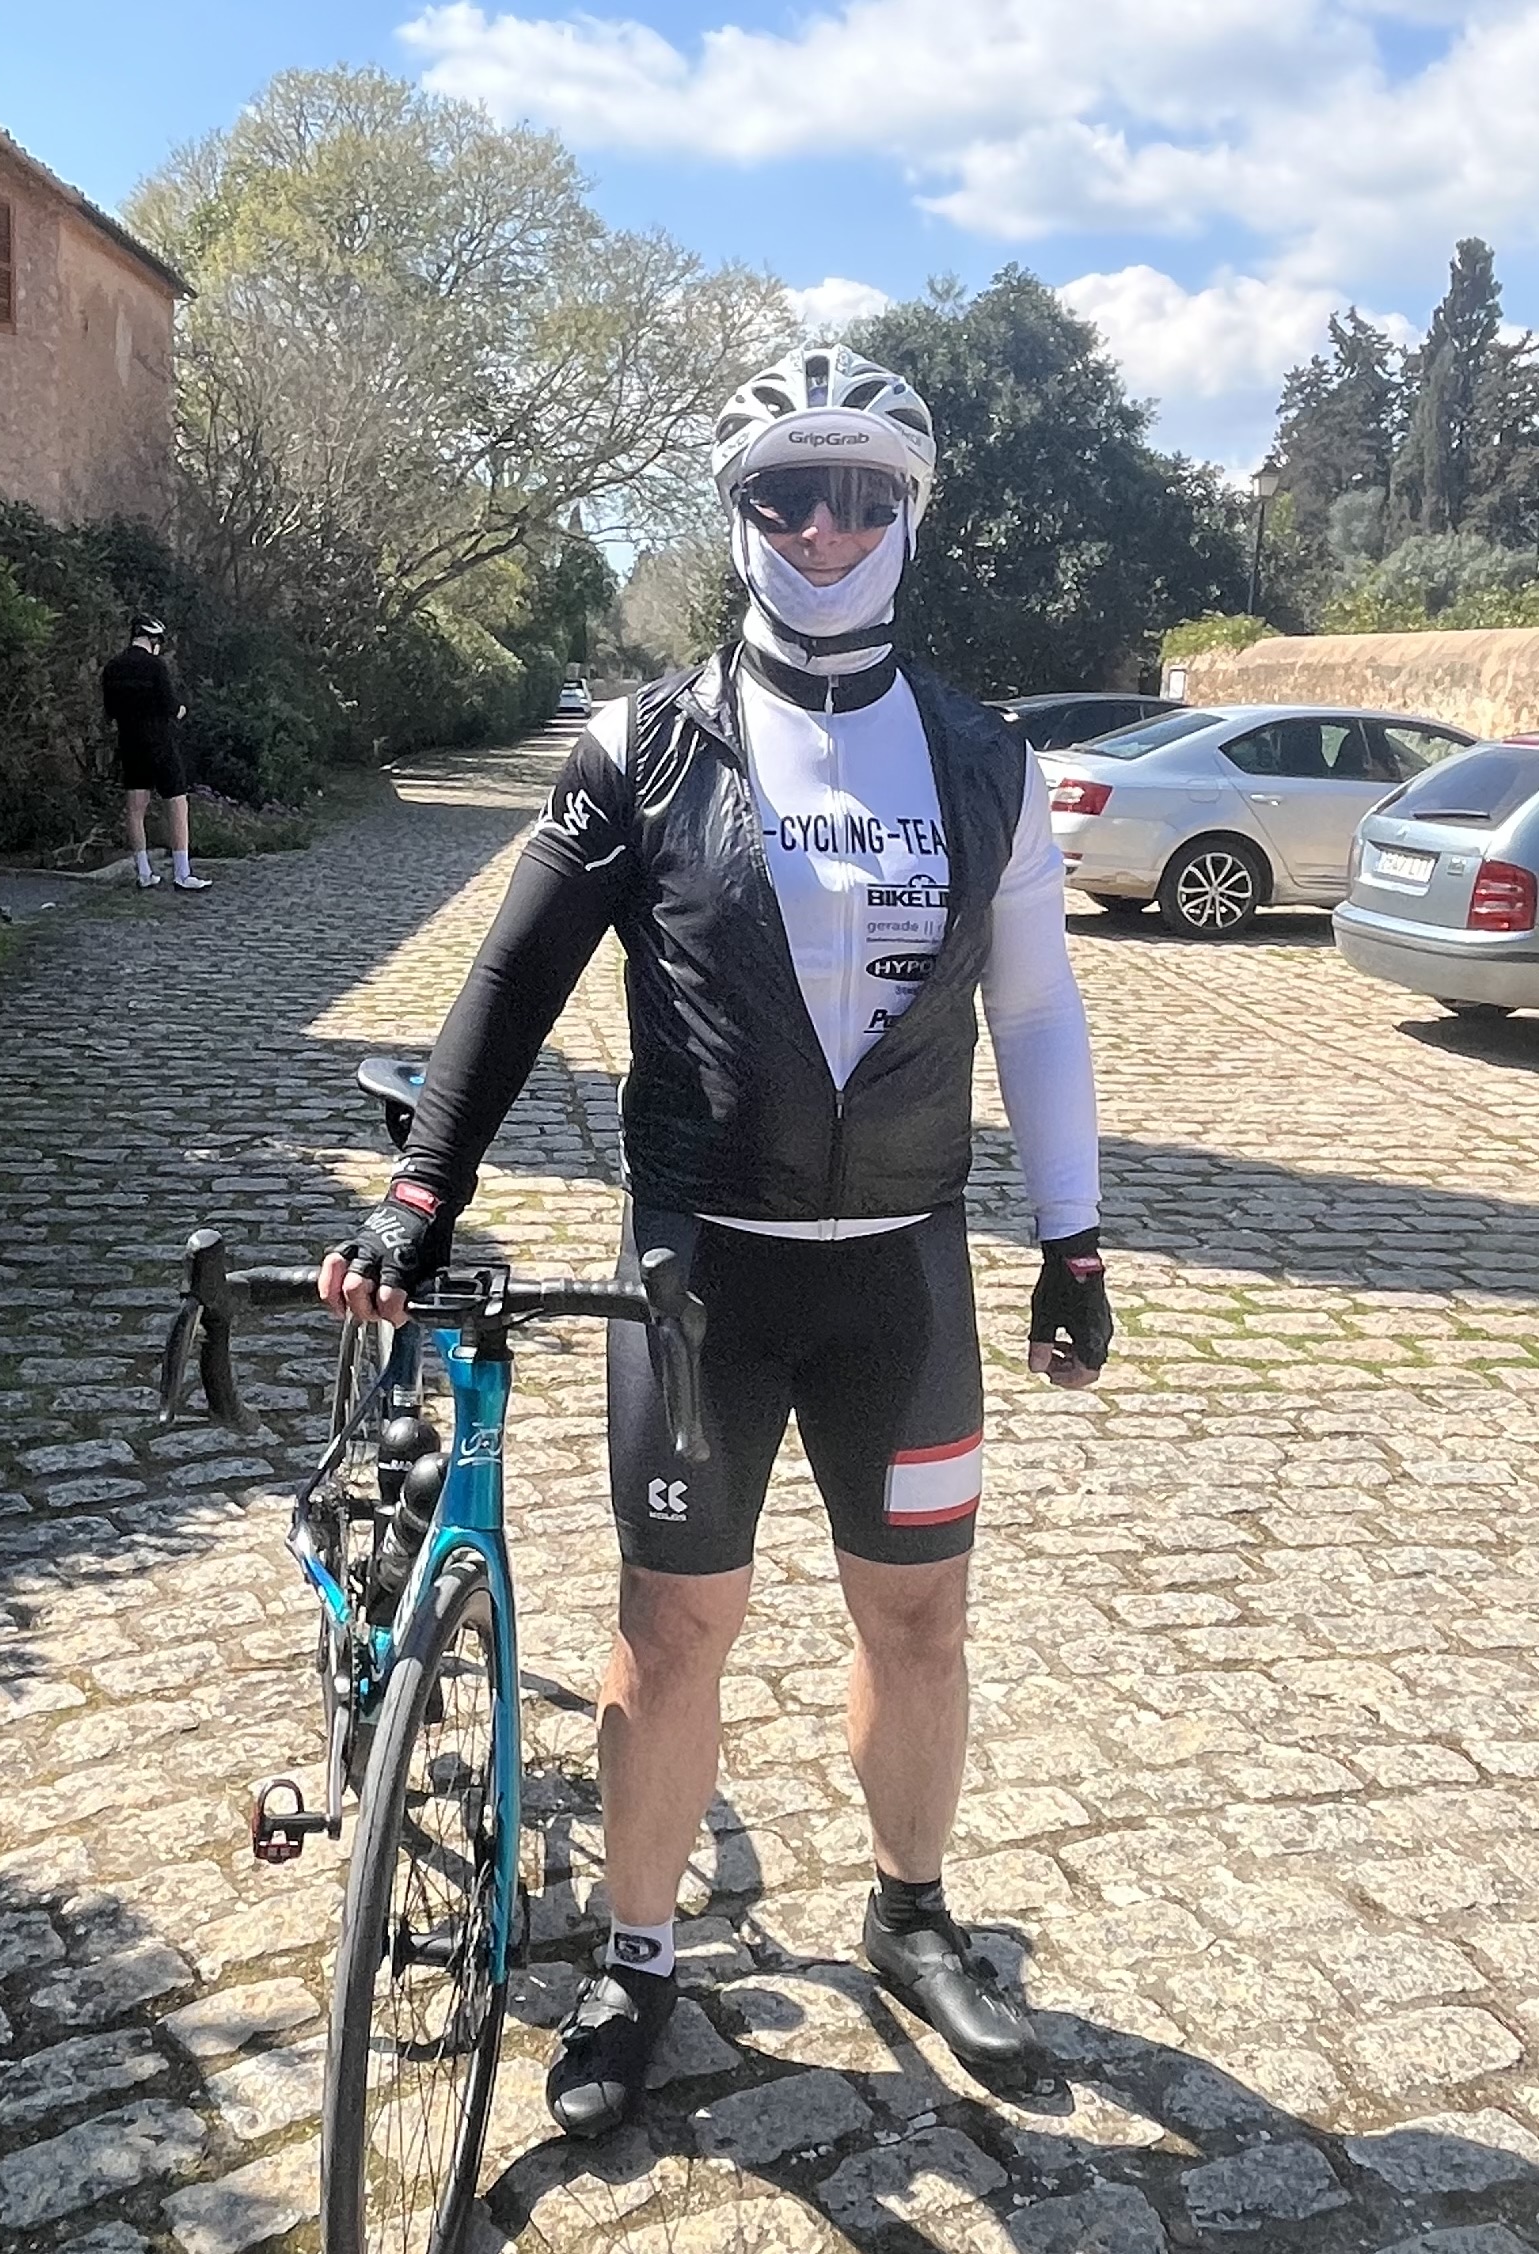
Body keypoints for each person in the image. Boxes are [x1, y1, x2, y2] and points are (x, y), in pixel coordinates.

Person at [321, 345, 1112, 2137]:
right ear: (738, 513)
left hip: (900, 1272)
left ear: (906, 514)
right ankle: (638, 1952)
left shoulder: (987, 759)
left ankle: (910, 1913)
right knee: (673, 1630)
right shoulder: (641, 744)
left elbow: (1036, 1009)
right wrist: (422, 1191)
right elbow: (511, 977)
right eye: (784, 493)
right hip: (701, 1276)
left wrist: (1072, 1239)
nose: (822, 527)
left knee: (918, 1621)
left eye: (859, 494)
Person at [100, 616, 210, 893]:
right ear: (154, 640)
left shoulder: (112, 668)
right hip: (159, 742)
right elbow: (169, 705)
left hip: (129, 742)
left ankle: (144, 871)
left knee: (135, 808)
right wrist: (181, 710)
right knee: (177, 801)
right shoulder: (155, 666)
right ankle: (182, 872)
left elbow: (110, 710)